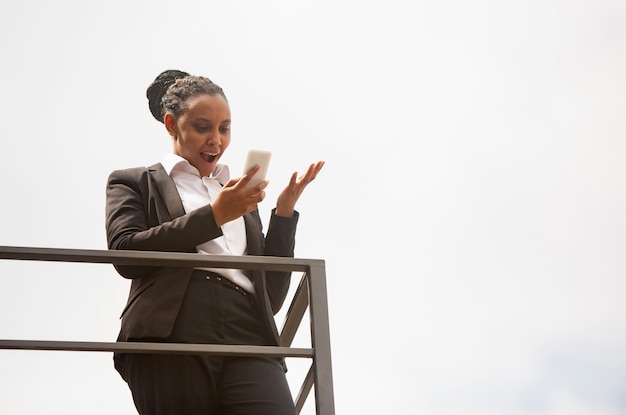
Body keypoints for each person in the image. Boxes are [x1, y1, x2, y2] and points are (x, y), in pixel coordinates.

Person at [105, 69, 324, 415]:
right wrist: (214, 216)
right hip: (174, 326)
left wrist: (282, 217)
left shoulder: (237, 196)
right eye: (203, 127)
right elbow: (126, 254)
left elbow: (272, 296)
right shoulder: (132, 182)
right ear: (171, 125)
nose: (216, 141)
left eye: (224, 128)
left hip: (249, 331)